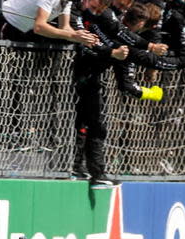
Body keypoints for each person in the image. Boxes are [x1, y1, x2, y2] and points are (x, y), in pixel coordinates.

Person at [71, 0, 129, 186]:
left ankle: (84, 169)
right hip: (81, 76)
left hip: (92, 77)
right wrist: (112, 53)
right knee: (92, 124)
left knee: (90, 124)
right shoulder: (84, 13)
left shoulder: (104, 20)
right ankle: (91, 171)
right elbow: (87, 44)